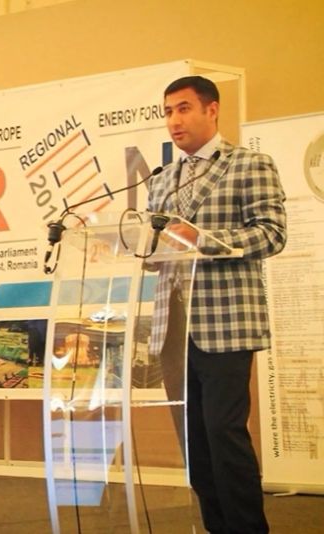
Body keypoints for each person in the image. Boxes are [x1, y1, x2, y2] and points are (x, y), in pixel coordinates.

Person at [147, 76, 286, 533]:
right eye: (168, 112)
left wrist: (203, 240)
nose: (174, 120)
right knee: (194, 443)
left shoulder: (249, 164)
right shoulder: (161, 178)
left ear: (212, 110)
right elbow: (157, 247)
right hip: (174, 328)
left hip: (225, 323)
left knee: (224, 434)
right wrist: (143, 251)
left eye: (184, 108)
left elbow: (271, 234)